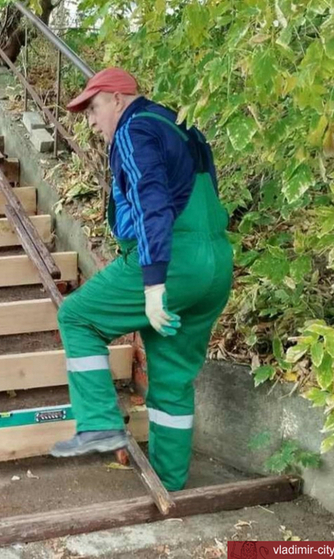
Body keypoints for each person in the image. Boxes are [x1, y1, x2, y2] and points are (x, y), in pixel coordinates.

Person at [49, 68, 234, 492]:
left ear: (118, 98)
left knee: (78, 316)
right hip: (216, 263)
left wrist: (154, 286)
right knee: (171, 375)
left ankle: (98, 424)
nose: (92, 122)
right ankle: (169, 479)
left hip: (172, 262)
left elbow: (154, 205)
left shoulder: (133, 131)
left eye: (94, 108)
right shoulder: (181, 124)